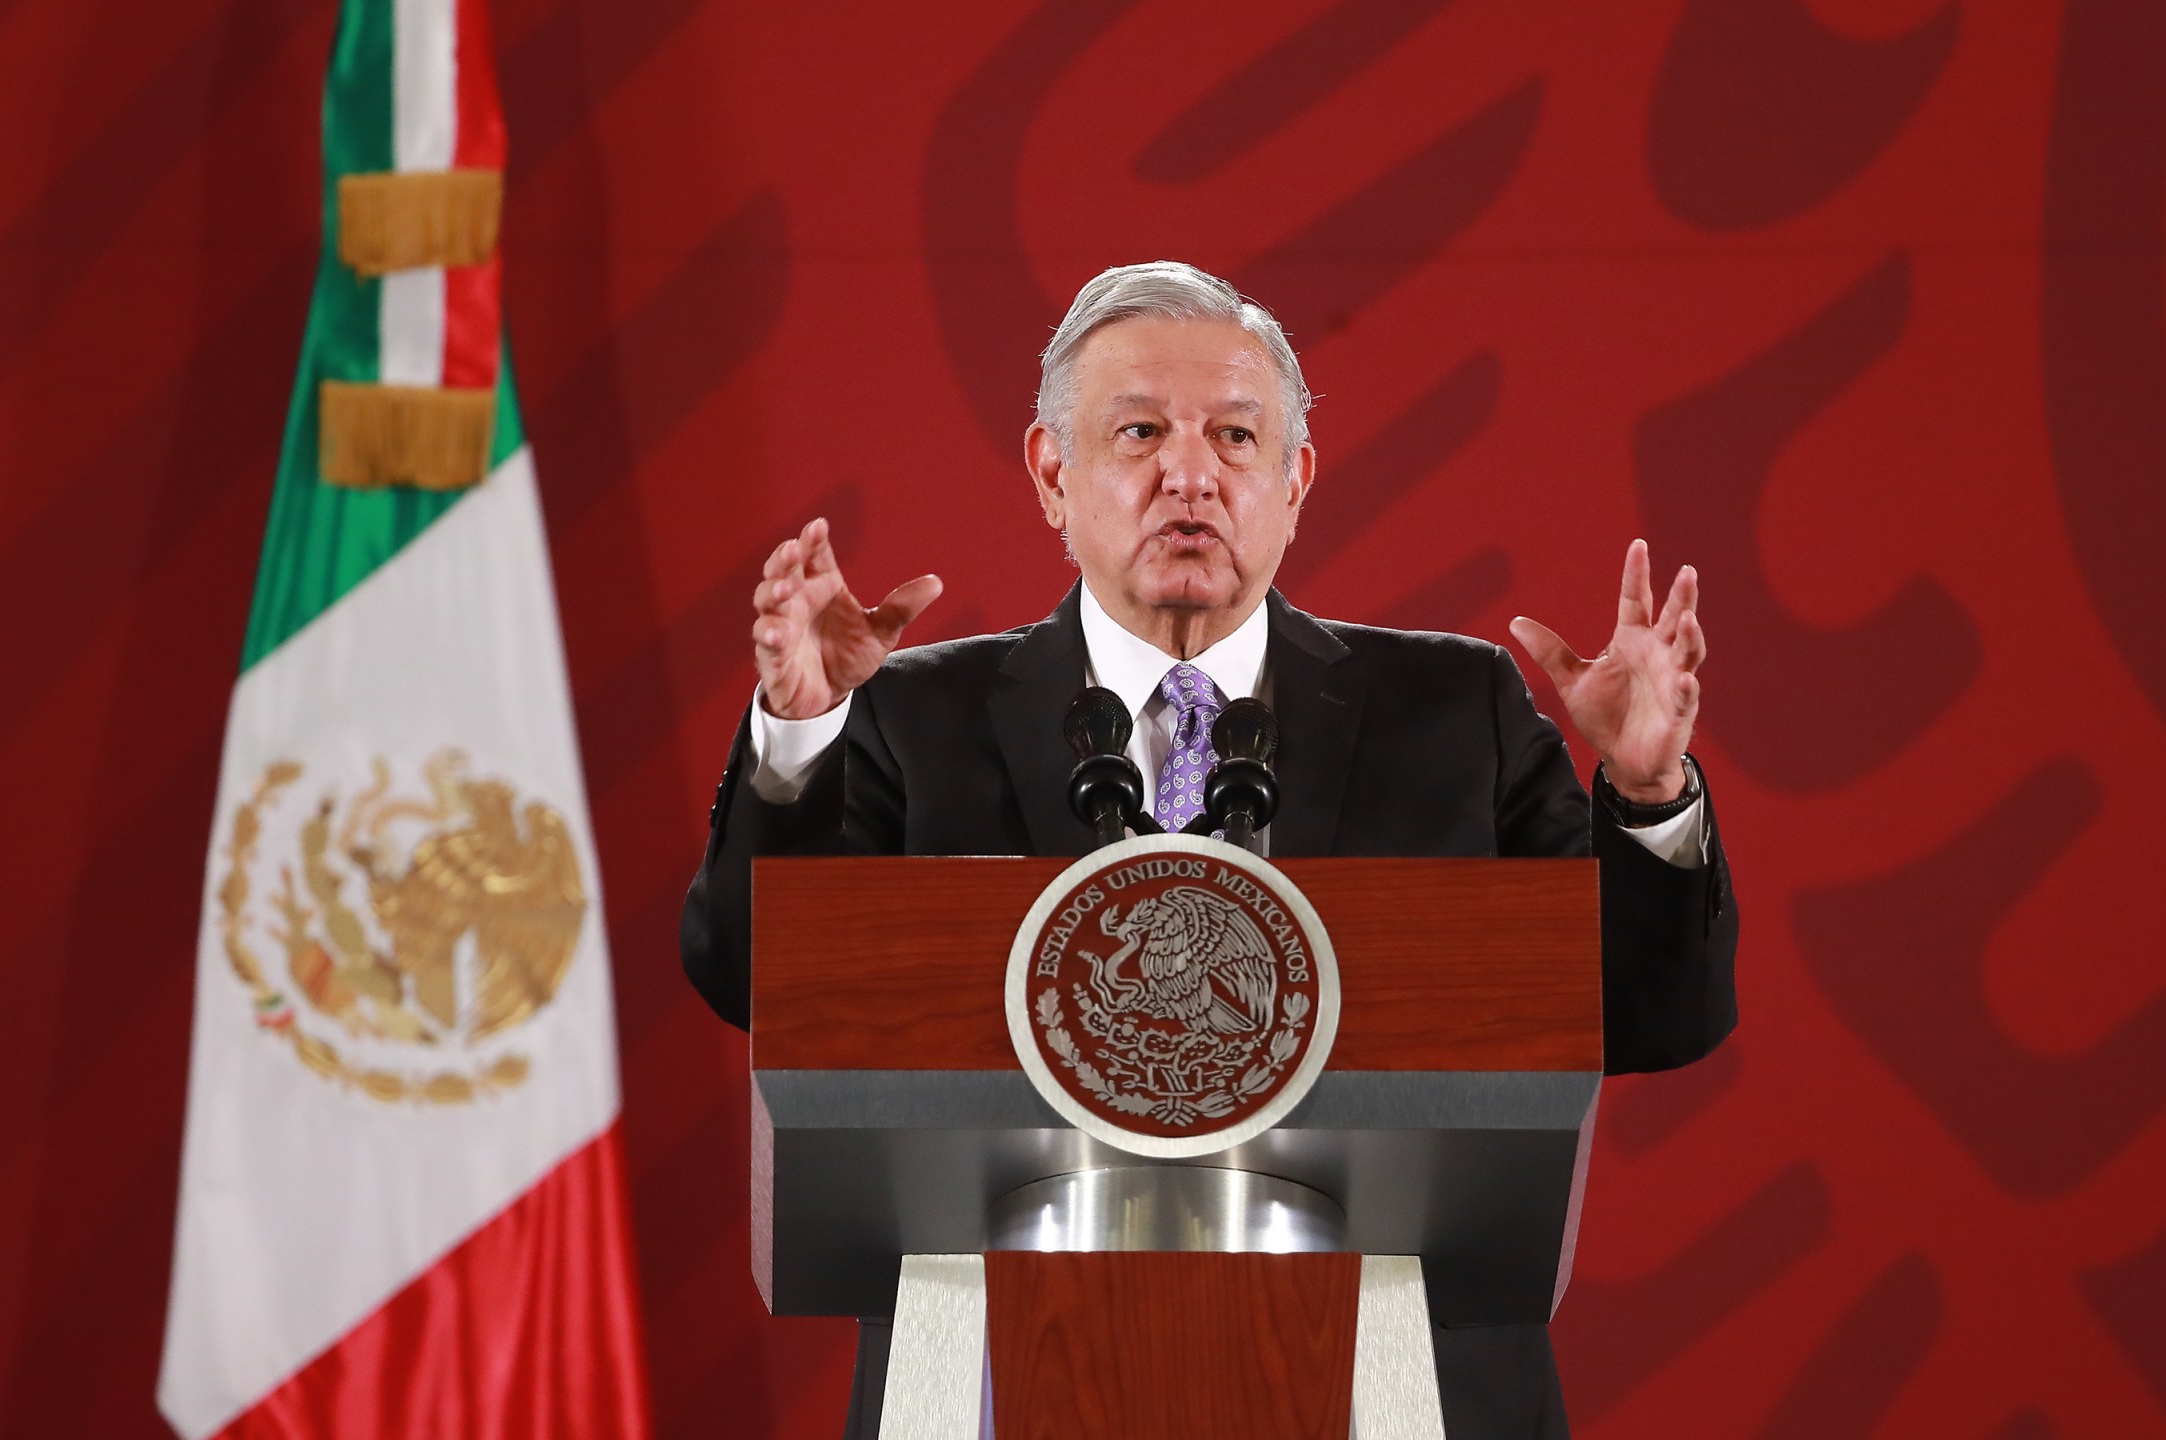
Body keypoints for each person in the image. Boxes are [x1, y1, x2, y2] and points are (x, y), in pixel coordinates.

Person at [682, 261, 1737, 1440]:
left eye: (1236, 437)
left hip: (1402, 1382)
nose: (1190, 474)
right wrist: (800, 736)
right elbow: (749, 979)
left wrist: (1646, 794)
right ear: (1051, 473)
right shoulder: (912, 716)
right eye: (1139, 432)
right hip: (998, 1369)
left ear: (1294, 482)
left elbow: (1653, 1017)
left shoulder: (1454, 708)